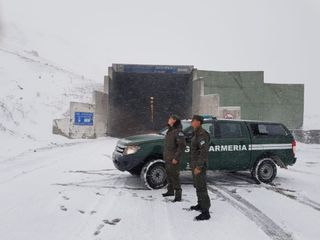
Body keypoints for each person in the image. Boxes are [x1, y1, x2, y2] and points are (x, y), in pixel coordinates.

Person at [189, 115, 211, 220]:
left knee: (201, 187)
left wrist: (198, 166)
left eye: (193, 121)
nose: (191, 122)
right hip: (195, 164)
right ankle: (200, 204)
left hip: (199, 165)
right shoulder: (196, 133)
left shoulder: (202, 134)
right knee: (198, 186)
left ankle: (206, 212)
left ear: (198, 122)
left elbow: (203, 152)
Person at [162, 114, 186, 202]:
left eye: (170, 118)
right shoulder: (170, 130)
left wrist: (176, 158)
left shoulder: (178, 132)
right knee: (169, 175)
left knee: (175, 176)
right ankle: (170, 191)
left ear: (174, 120)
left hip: (173, 158)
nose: (168, 120)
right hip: (168, 157)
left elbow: (182, 146)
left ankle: (178, 195)